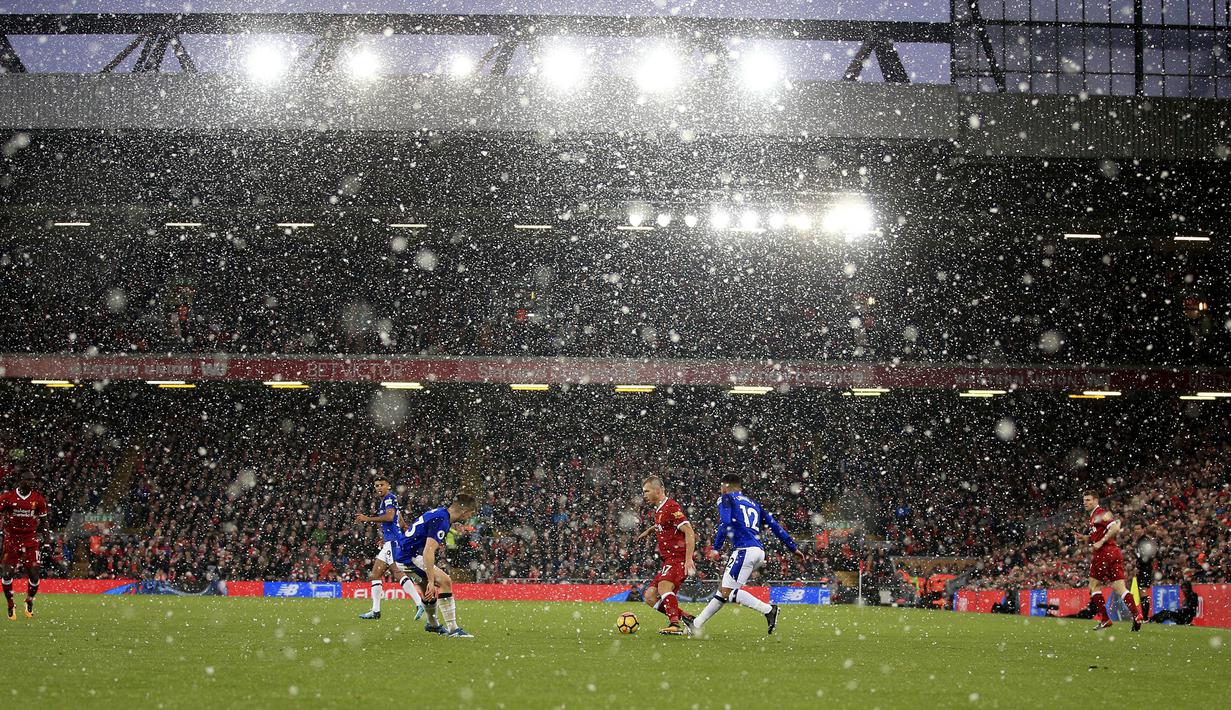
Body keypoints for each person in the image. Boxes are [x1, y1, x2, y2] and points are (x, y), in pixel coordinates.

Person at [693, 474, 805, 636]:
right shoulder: (754, 504)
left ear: (725, 487)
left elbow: (725, 522)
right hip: (758, 551)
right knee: (723, 591)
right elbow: (775, 526)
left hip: (743, 551)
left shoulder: (725, 498)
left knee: (728, 592)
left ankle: (768, 609)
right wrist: (793, 547)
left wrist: (716, 547)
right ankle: (696, 624)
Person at [393, 492, 478, 638]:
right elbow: (428, 551)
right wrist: (432, 580)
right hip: (408, 557)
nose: (470, 517)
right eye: (470, 513)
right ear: (464, 512)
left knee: (427, 588)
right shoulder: (442, 520)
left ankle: (432, 625)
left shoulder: (440, 513)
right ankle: (453, 629)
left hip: (403, 552)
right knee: (445, 581)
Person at [636, 476, 697, 636]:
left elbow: (689, 531)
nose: (644, 495)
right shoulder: (659, 510)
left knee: (664, 588)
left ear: (658, 490)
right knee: (649, 596)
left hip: (678, 559)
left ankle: (675, 624)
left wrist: (688, 559)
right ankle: (687, 617)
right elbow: (664, 525)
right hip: (668, 560)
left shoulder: (671, 507)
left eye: (647, 491)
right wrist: (650, 530)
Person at [356, 477, 424, 621]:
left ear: (388, 486)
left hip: (393, 543)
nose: (379, 487)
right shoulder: (388, 500)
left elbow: (389, 517)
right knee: (375, 575)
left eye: (382, 485)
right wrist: (401, 530)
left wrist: (368, 519)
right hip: (390, 541)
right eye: (376, 486)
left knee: (397, 572)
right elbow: (398, 519)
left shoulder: (389, 498)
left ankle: (419, 603)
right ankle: (375, 610)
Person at [1076, 491, 1143, 632]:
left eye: (1088, 500)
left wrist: (1101, 541)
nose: (1085, 503)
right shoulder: (1094, 516)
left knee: (1094, 586)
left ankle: (1105, 619)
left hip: (1104, 553)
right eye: (1084, 500)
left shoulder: (1100, 513)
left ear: (1095, 500)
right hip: (1114, 553)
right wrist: (1087, 538)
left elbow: (1115, 527)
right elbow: (1101, 533)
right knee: (1120, 588)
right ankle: (1137, 615)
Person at [0, 471, 50, 620]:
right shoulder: (7, 498)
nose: (32, 483)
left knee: (34, 574)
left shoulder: (38, 499)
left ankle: (29, 601)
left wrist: (46, 542)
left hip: (30, 540)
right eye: (29, 480)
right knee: (6, 574)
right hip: (12, 540)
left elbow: (44, 522)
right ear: (20, 480)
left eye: (33, 480)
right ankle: (10, 604)